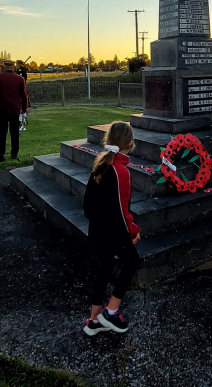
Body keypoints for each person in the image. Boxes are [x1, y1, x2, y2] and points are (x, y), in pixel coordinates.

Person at [81, 122, 141, 336]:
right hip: (112, 231)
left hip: (96, 229)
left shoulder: (101, 163)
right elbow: (122, 210)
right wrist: (133, 231)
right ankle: (111, 311)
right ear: (131, 144)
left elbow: (88, 203)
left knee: (105, 267)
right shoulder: (120, 171)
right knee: (133, 261)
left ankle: (94, 319)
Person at [0, 63, 30, 163]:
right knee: (14, 132)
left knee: (1, 132)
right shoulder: (20, 79)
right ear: (13, 68)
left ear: (4, 67)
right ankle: (14, 153)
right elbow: (24, 95)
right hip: (14, 108)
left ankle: (0, 155)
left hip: (2, 107)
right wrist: (24, 108)